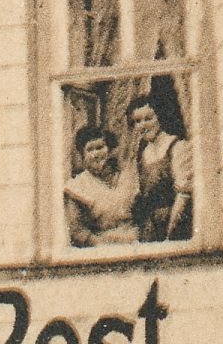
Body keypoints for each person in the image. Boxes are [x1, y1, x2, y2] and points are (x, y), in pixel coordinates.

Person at [124, 87, 195, 243]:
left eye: (148, 118)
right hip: (150, 228)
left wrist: (169, 235)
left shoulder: (178, 147)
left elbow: (183, 196)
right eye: (137, 121)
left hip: (176, 224)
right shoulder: (141, 154)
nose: (143, 125)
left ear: (159, 118)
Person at [62, 121, 138, 250]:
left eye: (100, 147)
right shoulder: (77, 186)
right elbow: (77, 230)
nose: (96, 154)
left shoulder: (126, 177)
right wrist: (103, 245)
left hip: (136, 245)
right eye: (90, 149)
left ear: (109, 150)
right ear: (82, 155)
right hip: (102, 249)